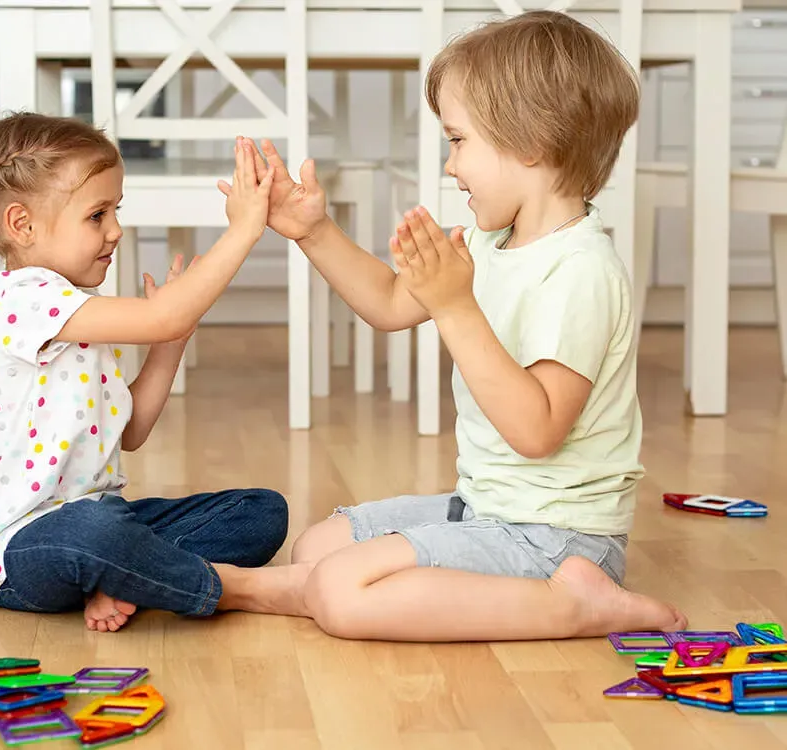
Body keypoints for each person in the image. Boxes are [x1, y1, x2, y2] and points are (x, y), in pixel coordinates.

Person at [216, 10, 688, 641]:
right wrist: (314, 232)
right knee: (318, 548)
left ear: (531, 143)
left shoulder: (581, 271)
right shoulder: (494, 241)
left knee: (340, 590)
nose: (449, 166)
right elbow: (388, 302)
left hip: (557, 538)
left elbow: (537, 429)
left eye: (459, 140)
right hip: (489, 511)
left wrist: (456, 306)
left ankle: (581, 603)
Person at [0, 113, 292, 632]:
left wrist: (170, 345)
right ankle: (230, 590)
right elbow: (163, 315)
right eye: (97, 215)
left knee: (261, 512)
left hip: (98, 524)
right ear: (23, 225)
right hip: (19, 553)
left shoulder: (75, 311)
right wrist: (244, 230)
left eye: (116, 210)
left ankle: (123, 577)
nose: (116, 230)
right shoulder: (18, 297)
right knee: (99, 529)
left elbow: (129, 432)